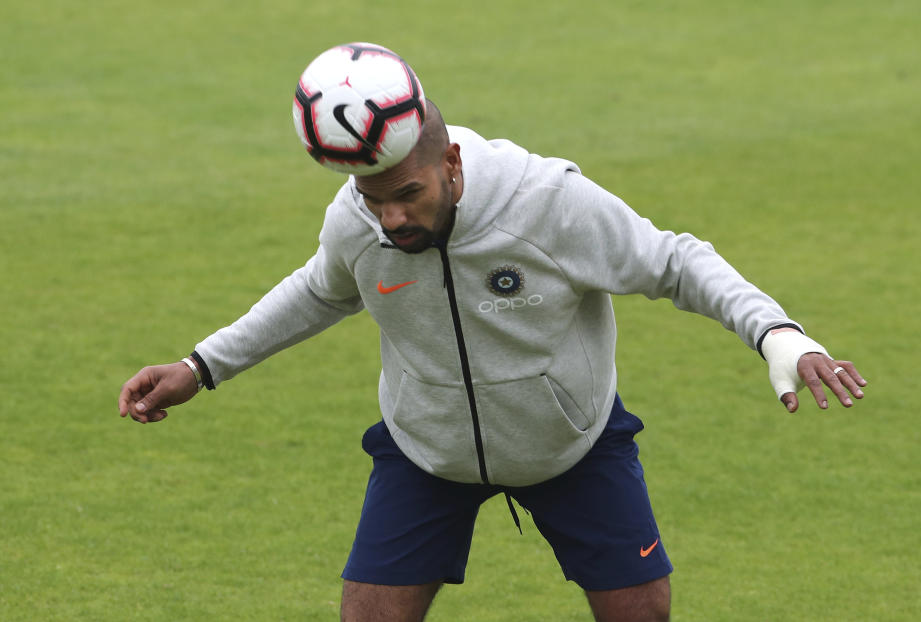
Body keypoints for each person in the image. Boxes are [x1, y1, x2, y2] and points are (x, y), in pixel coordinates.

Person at [118, 99, 866, 622]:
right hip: (426, 451)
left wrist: (777, 335)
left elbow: (674, 262)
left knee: (644, 610)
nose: (392, 219)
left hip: (570, 444)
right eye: (374, 200)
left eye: (408, 195)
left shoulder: (547, 203)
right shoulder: (359, 219)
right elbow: (320, 291)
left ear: (450, 162)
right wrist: (201, 365)